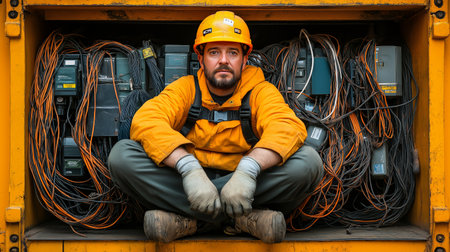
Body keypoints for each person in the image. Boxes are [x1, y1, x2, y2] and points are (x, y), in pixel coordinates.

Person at [108, 10, 323, 243]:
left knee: (308, 163)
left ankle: (191, 221)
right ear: (201, 59)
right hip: (189, 183)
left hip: (246, 184)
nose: (223, 60)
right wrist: (188, 167)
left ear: (244, 58)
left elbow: (287, 126)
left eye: (232, 52)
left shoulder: (261, 91)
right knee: (122, 156)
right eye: (214, 52)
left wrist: (249, 170)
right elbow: (146, 120)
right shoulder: (186, 89)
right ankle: (240, 219)